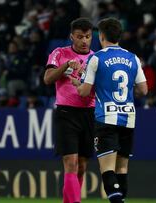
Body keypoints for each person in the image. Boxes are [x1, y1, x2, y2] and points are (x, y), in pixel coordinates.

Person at [72, 17, 148, 203]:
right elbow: (143, 90)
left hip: (106, 118)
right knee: (122, 169)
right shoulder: (133, 58)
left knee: (107, 169)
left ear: (102, 36)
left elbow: (84, 91)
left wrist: (77, 82)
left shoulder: (96, 58)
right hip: (128, 118)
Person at [43, 17, 95, 203]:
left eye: (87, 37)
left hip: (89, 114)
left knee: (81, 166)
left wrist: (83, 76)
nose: (84, 41)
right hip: (66, 113)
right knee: (70, 163)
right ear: (71, 36)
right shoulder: (60, 53)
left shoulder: (95, 58)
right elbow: (48, 79)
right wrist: (66, 65)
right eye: (80, 36)